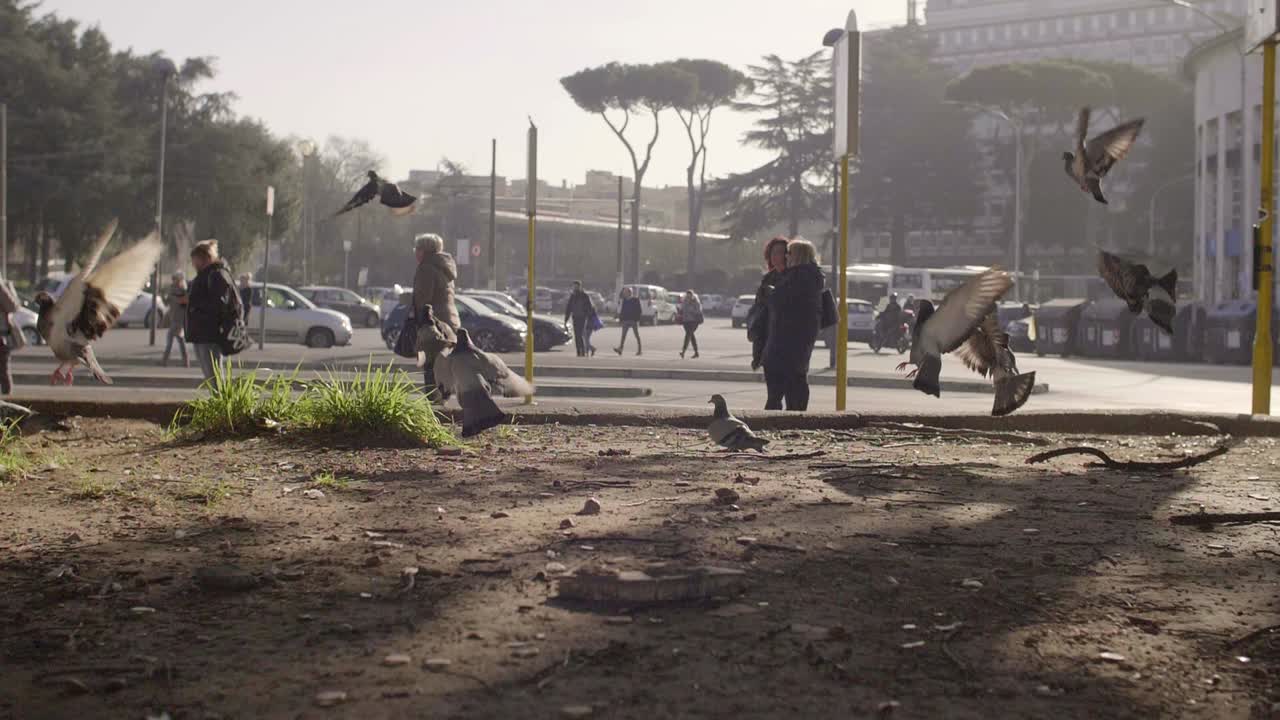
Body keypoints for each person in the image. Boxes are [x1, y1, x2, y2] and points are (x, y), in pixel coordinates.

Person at [762, 238, 824, 411]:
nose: (785, 257)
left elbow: (780, 303)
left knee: (783, 390)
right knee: (795, 384)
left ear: (797, 256)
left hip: (786, 343)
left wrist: (771, 294)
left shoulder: (797, 278)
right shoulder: (810, 277)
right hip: (796, 343)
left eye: (788, 253)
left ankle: (782, 423)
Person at [412, 233, 459, 400]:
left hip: (434, 325)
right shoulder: (445, 267)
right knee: (442, 367)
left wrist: (413, 315)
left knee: (431, 368)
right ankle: (442, 404)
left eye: (417, 249)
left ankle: (434, 409)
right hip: (450, 324)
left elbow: (423, 300)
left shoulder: (426, 268)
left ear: (425, 251)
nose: (415, 253)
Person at [186, 240, 239, 381]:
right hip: (201, 334)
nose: (194, 264)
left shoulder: (215, 275)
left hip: (209, 334)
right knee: (210, 377)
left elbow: (218, 305)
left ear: (205, 258)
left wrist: (197, 308)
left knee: (214, 378)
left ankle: (222, 402)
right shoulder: (207, 275)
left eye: (195, 260)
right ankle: (219, 401)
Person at [748, 237, 789, 375]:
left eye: (780, 252)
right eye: (773, 253)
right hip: (767, 341)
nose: (776, 256)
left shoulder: (795, 277)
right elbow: (759, 310)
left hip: (787, 343)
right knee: (773, 392)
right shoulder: (767, 279)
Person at [162, 271, 190, 368]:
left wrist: (172, 297)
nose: (173, 281)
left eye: (175, 279)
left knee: (170, 337)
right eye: (173, 279)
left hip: (179, 319)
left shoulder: (182, 290)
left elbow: (183, 302)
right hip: (174, 318)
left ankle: (164, 360)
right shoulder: (172, 290)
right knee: (180, 340)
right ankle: (186, 362)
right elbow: (167, 303)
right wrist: (164, 296)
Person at [563, 281, 595, 357]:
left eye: (577, 286)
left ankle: (583, 351)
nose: (575, 288)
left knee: (580, 335)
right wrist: (566, 319)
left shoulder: (584, 296)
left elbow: (590, 307)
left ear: (580, 286)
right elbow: (569, 308)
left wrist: (588, 315)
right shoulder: (573, 296)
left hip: (582, 318)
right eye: (574, 286)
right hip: (575, 317)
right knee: (577, 335)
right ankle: (578, 351)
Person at [613, 286, 642, 356]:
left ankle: (639, 350)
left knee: (636, 335)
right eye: (624, 292)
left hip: (633, 320)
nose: (624, 293)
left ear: (629, 292)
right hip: (626, 320)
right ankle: (620, 349)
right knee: (623, 336)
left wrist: (637, 319)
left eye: (625, 292)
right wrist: (620, 319)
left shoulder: (635, 299)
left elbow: (639, 310)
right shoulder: (625, 300)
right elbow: (623, 310)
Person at [678, 290, 703, 359]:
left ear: (692, 296)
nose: (688, 297)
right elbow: (682, 310)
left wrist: (691, 310)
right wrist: (680, 311)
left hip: (693, 321)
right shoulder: (684, 301)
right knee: (691, 336)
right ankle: (696, 352)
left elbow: (698, 311)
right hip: (686, 321)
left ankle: (683, 351)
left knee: (688, 335)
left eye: (690, 295)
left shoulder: (696, 302)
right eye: (687, 295)